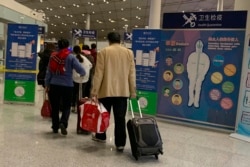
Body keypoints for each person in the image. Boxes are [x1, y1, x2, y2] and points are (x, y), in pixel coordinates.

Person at [91, 32, 136, 152]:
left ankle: (101, 136)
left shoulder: (104, 52)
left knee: (103, 115)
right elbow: (131, 74)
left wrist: (94, 91)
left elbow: (98, 74)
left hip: (106, 90)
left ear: (108, 40)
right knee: (120, 118)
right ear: (120, 40)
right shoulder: (128, 53)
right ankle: (120, 143)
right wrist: (133, 91)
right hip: (122, 91)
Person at [45, 38, 86, 135]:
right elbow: (81, 70)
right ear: (67, 46)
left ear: (58, 46)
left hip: (54, 84)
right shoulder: (71, 57)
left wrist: (47, 84)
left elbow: (49, 72)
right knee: (67, 106)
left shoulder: (53, 56)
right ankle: (63, 122)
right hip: (67, 85)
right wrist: (82, 74)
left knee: (55, 106)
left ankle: (55, 126)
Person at [71, 45, 93, 113]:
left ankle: (73, 107)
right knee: (81, 93)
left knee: (74, 93)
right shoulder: (85, 58)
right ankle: (80, 107)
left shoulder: (73, 58)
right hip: (84, 79)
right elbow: (90, 65)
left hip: (75, 78)